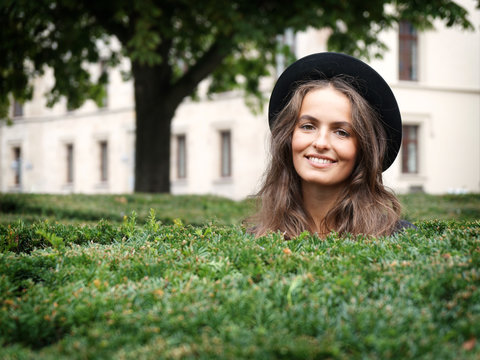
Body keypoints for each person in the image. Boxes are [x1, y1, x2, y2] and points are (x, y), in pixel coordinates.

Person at [250, 52, 415, 238]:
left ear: (363, 149)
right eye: (308, 126)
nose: (321, 143)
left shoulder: (399, 238)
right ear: (288, 137)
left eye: (341, 132)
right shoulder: (257, 241)